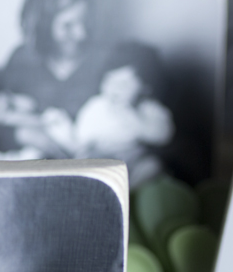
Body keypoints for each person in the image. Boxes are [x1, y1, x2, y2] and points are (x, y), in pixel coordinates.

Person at [0, 0, 168, 167]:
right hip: (43, 165)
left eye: (85, 21)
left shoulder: (106, 55)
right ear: (44, 24)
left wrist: (139, 82)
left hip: (101, 161)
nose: (81, 34)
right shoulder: (22, 60)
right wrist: (23, 135)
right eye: (68, 25)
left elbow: (152, 66)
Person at [42, 64, 174, 185]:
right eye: (109, 81)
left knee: (153, 166)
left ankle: (128, 192)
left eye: (123, 84)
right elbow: (82, 137)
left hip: (133, 159)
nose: (114, 89)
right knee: (87, 159)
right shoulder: (97, 105)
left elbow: (162, 135)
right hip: (101, 157)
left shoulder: (149, 108)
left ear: (145, 88)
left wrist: (130, 114)